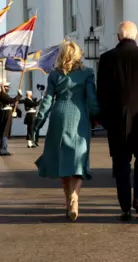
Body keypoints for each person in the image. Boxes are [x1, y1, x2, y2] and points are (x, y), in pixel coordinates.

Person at [97, 21, 138, 222]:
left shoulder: (106, 58)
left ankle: (125, 206)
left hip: (116, 119)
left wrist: (103, 118)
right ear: (135, 37)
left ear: (118, 37)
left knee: (121, 163)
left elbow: (101, 93)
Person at [33, 41, 99, 221]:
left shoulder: (54, 74)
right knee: (78, 159)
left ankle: (67, 199)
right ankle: (74, 198)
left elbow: (47, 101)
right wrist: (98, 116)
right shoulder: (87, 73)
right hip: (79, 117)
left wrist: (38, 123)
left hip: (58, 116)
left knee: (62, 162)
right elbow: (92, 99)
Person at [0, 83, 22, 156]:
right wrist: (19, 95)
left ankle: (3, 149)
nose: (8, 88)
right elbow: (11, 100)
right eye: (7, 87)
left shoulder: (4, 95)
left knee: (5, 131)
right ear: (3, 87)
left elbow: (12, 101)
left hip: (7, 112)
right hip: (6, 113)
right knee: (5, 131)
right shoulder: (3, 95)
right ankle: (3, 150)